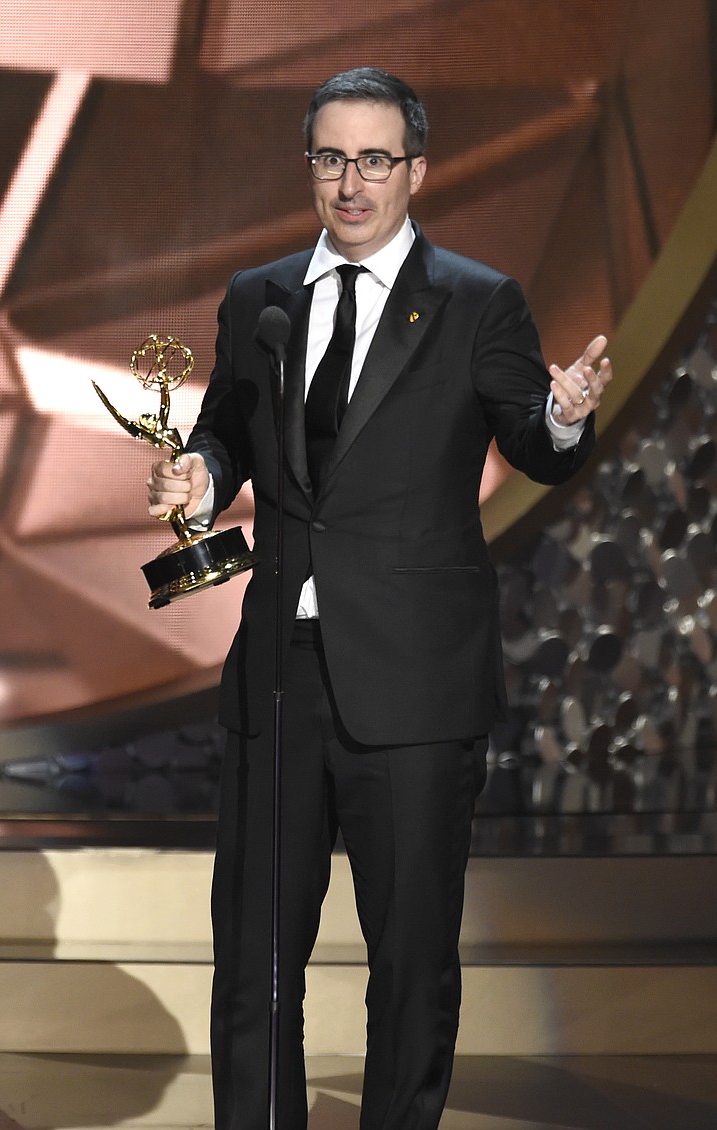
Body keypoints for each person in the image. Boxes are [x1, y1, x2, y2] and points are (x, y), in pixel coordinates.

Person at [147, 67, 612, 1130]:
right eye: (329, 157)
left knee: (407, 964)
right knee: (254, 962)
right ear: (306, 164)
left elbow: (530, 445)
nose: (349, 182)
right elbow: (223, 428)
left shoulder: (475, 300)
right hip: (275, 683)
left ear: (414, 169)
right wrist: (201, 477)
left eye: (372, 159)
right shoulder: (256, 296)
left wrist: (564, 415)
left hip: (414, 686)